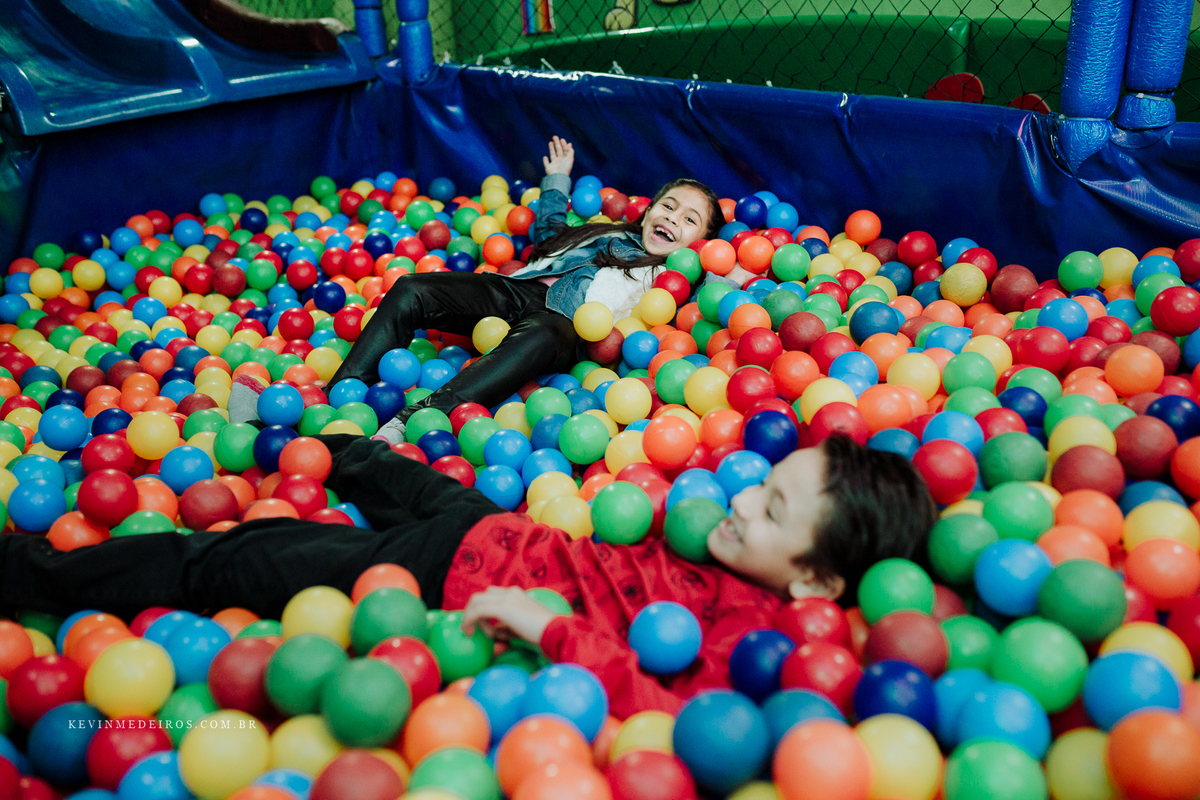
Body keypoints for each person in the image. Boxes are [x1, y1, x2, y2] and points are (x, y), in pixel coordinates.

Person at [0, 433, 936, 718]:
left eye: (772, 511)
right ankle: (288, 432)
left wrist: (545, 630)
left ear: (816, 584)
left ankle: (27, 570)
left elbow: (662, 699)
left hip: (432, 576)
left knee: (226, 560)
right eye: (763, 486)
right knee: (363, 461)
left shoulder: (759, 644)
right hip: (491, 524)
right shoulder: (725, 547)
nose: (740, 502)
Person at [229, 137, 734, 443]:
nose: (672, 219)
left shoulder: (676, 276)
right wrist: (557, 180)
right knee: (410, 288)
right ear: (648, 210)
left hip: (567, 325)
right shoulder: (605, 230)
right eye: (668, 206)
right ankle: (334, 401)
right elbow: (548, 236)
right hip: (512, 291)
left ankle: (416, 419)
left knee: (542, 335)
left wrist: (725, 268)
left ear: (700, 244)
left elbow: (719, 288)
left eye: (690, 220)